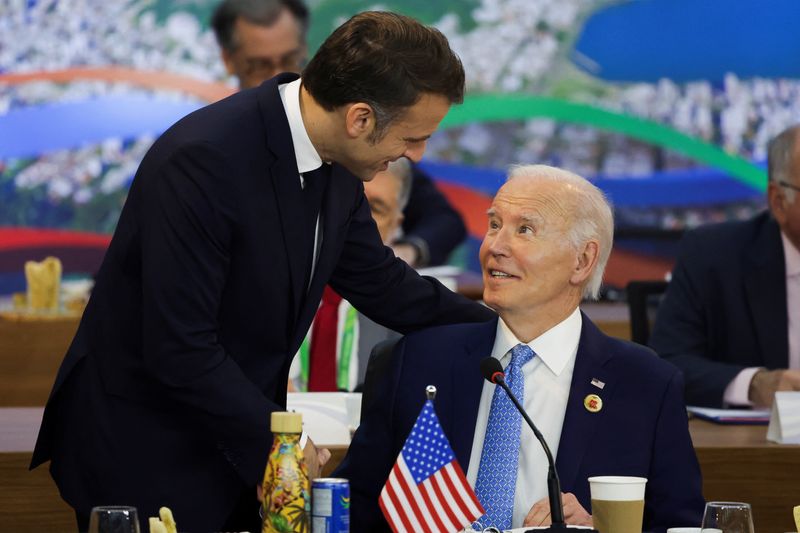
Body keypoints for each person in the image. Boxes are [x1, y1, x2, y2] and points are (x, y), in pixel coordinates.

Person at [30, 12, 494, 532]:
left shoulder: (339, 158)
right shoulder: (204, 161)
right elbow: (180, 346)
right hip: (145, 449)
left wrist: (505, 328)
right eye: (413, 137)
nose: (416, 154)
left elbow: (383, 284)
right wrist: (277, 441)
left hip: (234, 444)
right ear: (360, 118)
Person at [335, 165, 704, 532]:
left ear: (582, 261)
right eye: (494, 225)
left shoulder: (645, 385)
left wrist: (600, 528)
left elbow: (678, 525)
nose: (495, 246)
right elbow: (352, 508)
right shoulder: (418, 360)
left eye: (524, 230)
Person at [211, 0, 467, 267]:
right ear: (229, 61)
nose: (278, 73)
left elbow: (379, 271)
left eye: (288, 59)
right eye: (259, 65)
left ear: (304, 49)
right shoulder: (212, 154)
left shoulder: (356, 154)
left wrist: (406, 253)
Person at [650, 125, 800, 408]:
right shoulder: (713, 256)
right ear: (779, 202)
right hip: (754, 446)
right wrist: (754, 384)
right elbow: (667, 362)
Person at [289, 159, 410, 392]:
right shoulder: (273, 283)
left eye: (375, 209)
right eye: (353, 203)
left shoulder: (405, 320)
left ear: (396, 225)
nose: (359, 220)